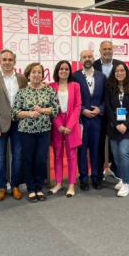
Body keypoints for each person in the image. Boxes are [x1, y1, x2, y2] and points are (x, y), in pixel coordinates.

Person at [12, 63, 59, 202]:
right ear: (28, 75)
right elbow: (14, 112)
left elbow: (55, 109)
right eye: (34, 72)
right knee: (28, 160)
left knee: (40, 160)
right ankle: (31, 189)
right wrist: (29, 113)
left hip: (44, 131)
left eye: (39, 72)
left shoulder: (49, 90)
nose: (37, 75)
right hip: (26, 132)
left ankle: (39, 187)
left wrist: (42, 110)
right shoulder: (22, 92)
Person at [0, 49, 27, 201]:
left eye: (10, 59)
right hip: (0, 125)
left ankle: (15, 186)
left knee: (18, 156)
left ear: (14, 61)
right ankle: (2, 187)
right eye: (4, 59)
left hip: (19, 123)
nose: (7, 62)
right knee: (0, 157)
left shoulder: (22, 79)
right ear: (0, 61)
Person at [105, 62, 129, 197]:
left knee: (123, 153)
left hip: (128, 127)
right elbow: (108, 107)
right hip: (113, 127)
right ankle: (122, 178)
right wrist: (116, 124)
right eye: (117, 71)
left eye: (122, 70)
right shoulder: (109, 87)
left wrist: (125, 124)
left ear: (126, 72)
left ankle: (126, 183)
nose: (119, 73)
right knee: (116, 155)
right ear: (114, 73)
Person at [73, 50, 107, 191]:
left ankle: (96, 177)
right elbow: (72, 98)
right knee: (81, 151)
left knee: (96, 150)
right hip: (81, 121)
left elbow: (107, 98)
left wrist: (100, 109)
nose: (87, 59)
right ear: (80, 60)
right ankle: (84, 179)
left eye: (90, 57)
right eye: (84, 57)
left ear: (94, 58)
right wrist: (82, 110)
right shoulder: (75, 76)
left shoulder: (102, 76)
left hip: (97, 120)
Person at [49, 60, 82, 198]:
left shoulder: (75, 86)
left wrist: (69, 125)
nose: (64, 71)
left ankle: (71, 184)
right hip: (57, 122)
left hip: (71, 122)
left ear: (70, 71)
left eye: (66, 69)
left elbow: (78, 106)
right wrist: (58, 125)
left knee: (72, 155)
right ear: (57, 71)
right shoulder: (51, 86)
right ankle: (58, 183)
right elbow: (50, 107)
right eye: (61, 69)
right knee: (57, 154)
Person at [93, 41, 120, 181]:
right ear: (100, 50)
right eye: (105, 49)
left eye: (110, 48)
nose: (107, 51)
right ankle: (98, 172)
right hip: (99, 111)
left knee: (116, 141)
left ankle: (115, 169)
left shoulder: (120, 65)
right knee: (98, 143)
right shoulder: (93, 65)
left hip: (117, 111)